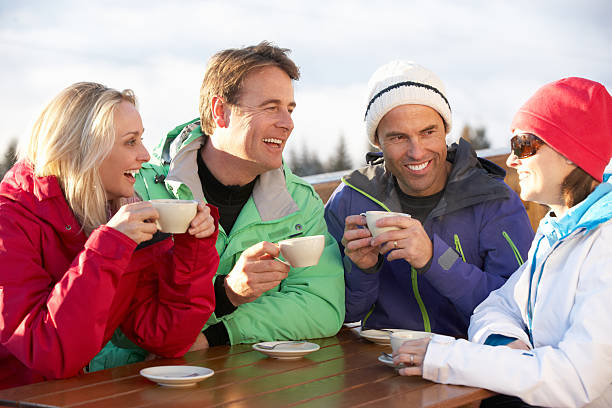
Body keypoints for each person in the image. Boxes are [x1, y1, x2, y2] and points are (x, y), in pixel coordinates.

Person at [395, 77, 612, 407]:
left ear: (570, 153)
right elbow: (496, 306)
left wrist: (447, 359)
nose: (511, 161)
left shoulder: (604, 242)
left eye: (523, 145)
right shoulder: (558, 231)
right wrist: (504, 345)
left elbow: (577, 379)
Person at [0, 82, 219, 390]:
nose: (144, 154)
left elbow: (165, 338)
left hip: (71, 395)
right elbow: (47, 353)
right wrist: (107, 248)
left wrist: (193, 249)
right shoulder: (8, 223)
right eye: (131, 142)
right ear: (83, 150)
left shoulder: (117, 215)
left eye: (141, 140)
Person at [131, 41, 344, 350]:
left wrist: (219, 336)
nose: (287, 123)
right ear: (221, 112)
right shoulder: (142, 192)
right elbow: (126, 314)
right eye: (271, 107)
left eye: (289, 109)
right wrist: (226, 292)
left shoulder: (300, 202)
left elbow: (322, 306)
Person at [324, 61, 534, 338]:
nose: (416, 151)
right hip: (379, 364)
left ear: (445, 130)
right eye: (399, 137)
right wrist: (362, 269)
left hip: (469, 365)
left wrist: (435, 259)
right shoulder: (352, 199)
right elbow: (340, 314)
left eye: (428, 132)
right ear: (377, 141)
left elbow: (521, 310)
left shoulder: (494, 201)